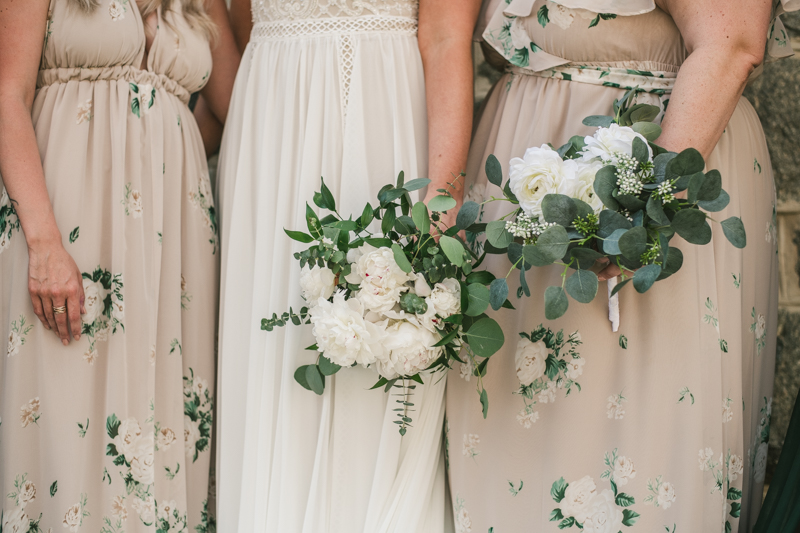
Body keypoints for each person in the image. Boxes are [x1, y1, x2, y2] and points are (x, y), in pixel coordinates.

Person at [446, 0, 797, 531]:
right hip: (516, 176)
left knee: (629, 458)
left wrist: (645, 217)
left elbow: (731, 42)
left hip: (653, 165)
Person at [214, 0, 480, 531]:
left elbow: (448, 37)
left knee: (381, 330)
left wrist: (441, 206)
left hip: (384, 106)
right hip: (272, 118)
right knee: (274, 344)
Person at [0, 0, 238, 530]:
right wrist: (43, 242)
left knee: (163, 417)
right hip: (67, 224)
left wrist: (159, 155)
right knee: (67, 409)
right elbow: (6, 96)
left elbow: (234, 105)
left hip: (171, 246)